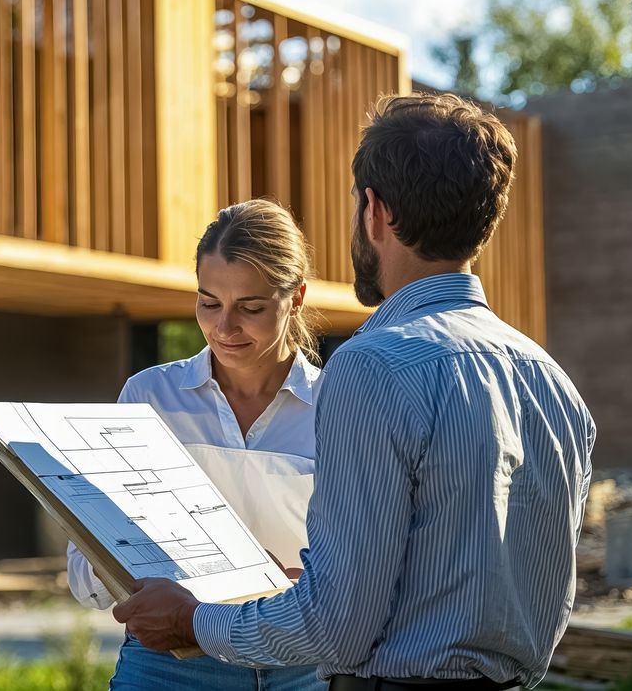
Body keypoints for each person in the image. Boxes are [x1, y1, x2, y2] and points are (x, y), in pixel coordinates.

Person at [112, 92, 596, 691]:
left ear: (374, 211)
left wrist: (193, 621)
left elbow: (335, 625)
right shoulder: (552, 382)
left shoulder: (371, 368)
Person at [69, 198, 325, 691]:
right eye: (208, 303)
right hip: (171, 661)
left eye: (250, 308)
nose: (224, 328)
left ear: (295, 298)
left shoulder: (338, 404)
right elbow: (86, 567)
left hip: (302, 662)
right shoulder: (149, 397)